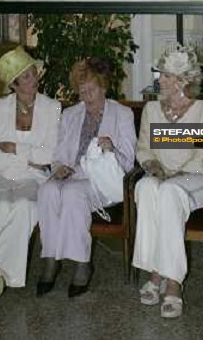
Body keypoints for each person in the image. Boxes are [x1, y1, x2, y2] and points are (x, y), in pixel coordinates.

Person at [0, 46, 61, 311]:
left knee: (25, 207)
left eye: (34, 74)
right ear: (14, 84)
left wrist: (15, 148)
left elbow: (49, 155)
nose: (34, 80)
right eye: (27, 77)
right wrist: (29, 155)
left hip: (34, 176)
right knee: (3, 206)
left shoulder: (52, 107)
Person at [36, 58, 136, 298]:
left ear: (103, 86)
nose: (86, 96)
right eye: (82, 91)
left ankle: (82, 263)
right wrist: (59, 167)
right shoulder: (70, 114)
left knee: (72, 194)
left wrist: (111, 148)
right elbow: (58, 153)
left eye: (91, 89)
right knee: (47, 190)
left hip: (102, 179)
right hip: (72, 174)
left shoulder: (122, 114)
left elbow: (129, 161)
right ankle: (51, 259)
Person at [131, 46, 203, 319]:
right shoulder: (151, 109)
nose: (161, 80)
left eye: (167, 76)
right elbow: (143, 149)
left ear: (183, 80)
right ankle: (157, 272)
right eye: (161, 75)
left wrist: (174, 175)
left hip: (197, 178)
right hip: (162, 175)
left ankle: (168, 281)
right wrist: (152, 166)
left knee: (168, 191)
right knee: (144, 186)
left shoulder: (202, 109)